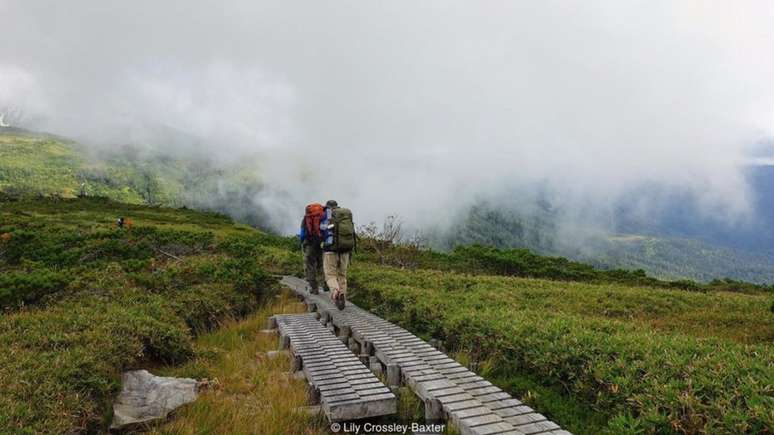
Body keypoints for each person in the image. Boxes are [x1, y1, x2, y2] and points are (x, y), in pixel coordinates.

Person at [321, 200, 356, 309]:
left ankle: (336, 292)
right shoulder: (345, 216)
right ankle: (342, 296)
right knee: (342, 275)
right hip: (345, 250)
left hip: (330, 250)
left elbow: (322, 229)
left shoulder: (327, 215)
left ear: (328, 207)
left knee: (330, 275)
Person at [299, 203, 325, 294]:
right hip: (320, 244)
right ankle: (325, 285)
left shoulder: (306, 219)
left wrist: (302, 242)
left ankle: (314, 288)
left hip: (309, 244)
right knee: (321, 264)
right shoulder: (322, 217)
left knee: (310, 265)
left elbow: (302, 233)